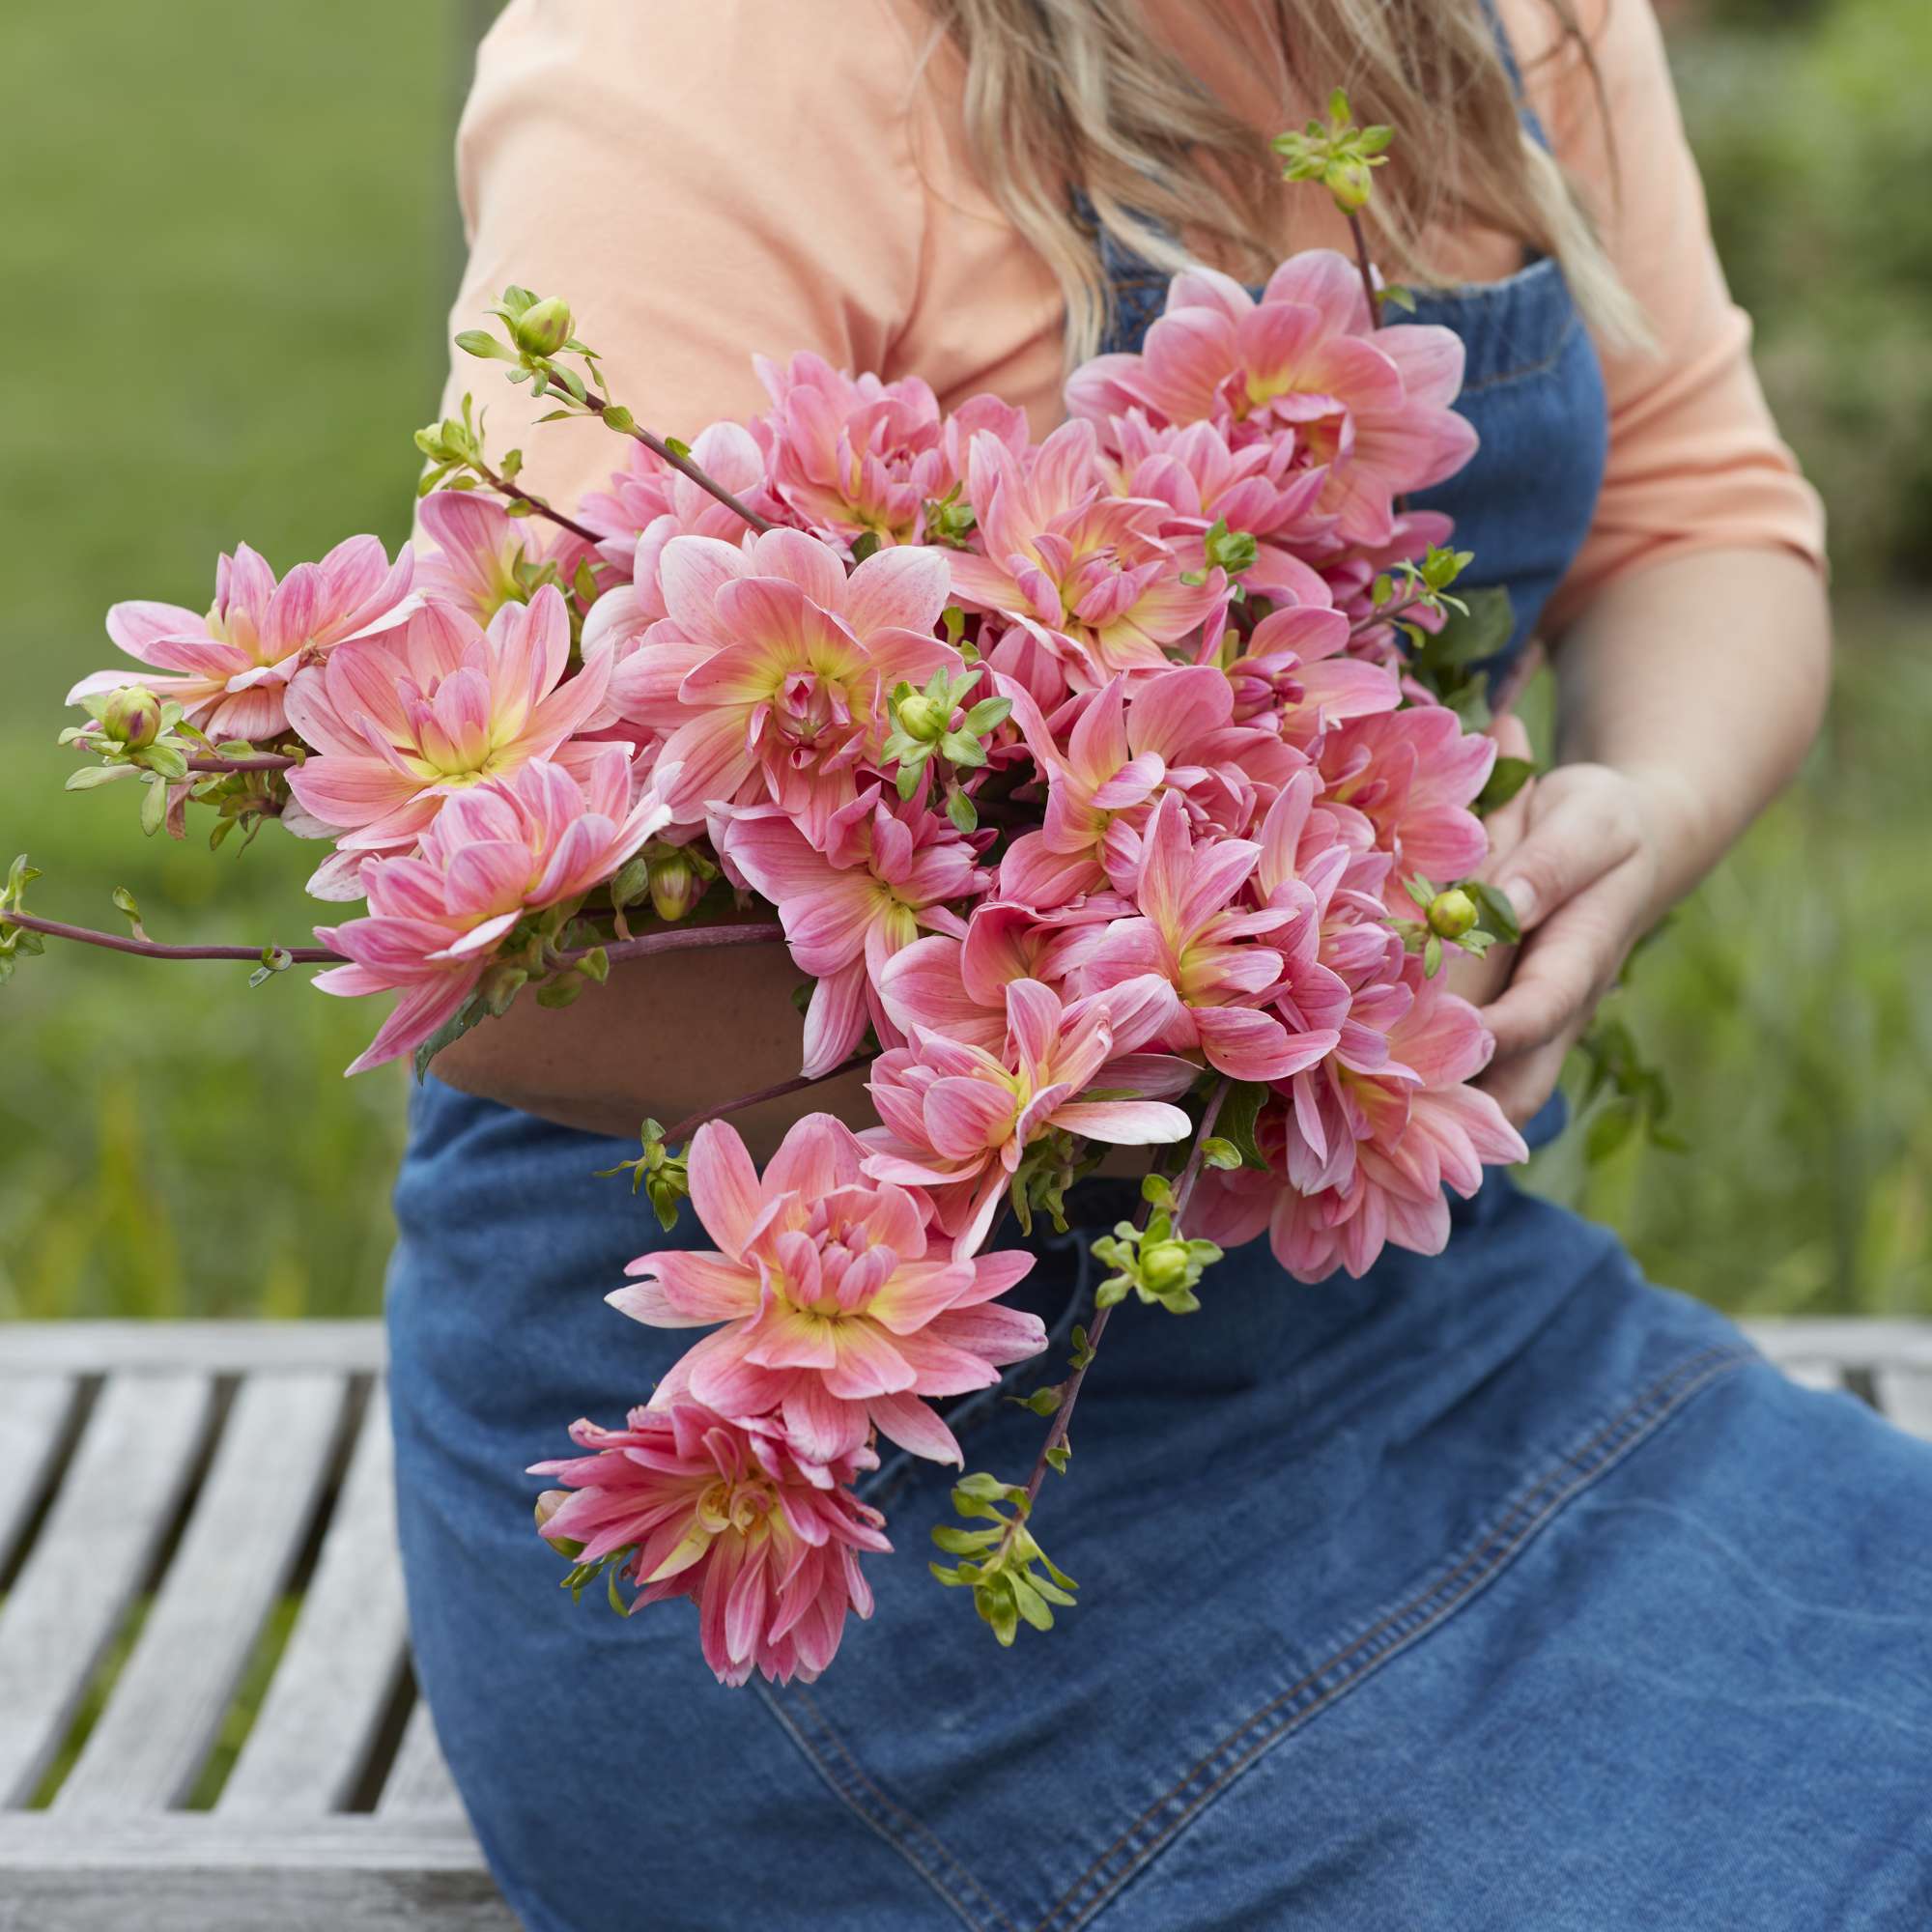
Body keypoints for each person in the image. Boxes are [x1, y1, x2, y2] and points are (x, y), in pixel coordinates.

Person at [385, 3, 1931, 1926]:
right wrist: (1151, 1039)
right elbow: (517, 966)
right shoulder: (726, 51)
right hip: (825, 1497)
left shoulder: (1518, 21)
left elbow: (1698, 509)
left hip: (1399, 1345)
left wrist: (1637, 811)